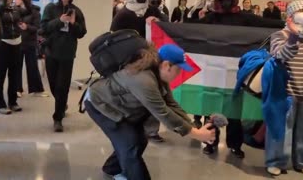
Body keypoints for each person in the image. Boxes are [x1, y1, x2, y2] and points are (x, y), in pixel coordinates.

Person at [84, 44, 215, 180]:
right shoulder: (143, 80)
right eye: (179, 69)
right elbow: (163, 113)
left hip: (121, 106)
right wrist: (196, 134)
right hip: (101, 105)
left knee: (140, 140)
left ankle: (111, 169)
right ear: (166, 65)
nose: (180, 73)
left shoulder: (157, 73)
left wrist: (193, 128)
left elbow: (170, 104)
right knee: (130, 145)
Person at [195, 0, 284, 158]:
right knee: (211, 107)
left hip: (236, 71)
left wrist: (289, 23)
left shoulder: (245, 17)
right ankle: (210, 142)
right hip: (214, 70)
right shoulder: (211, 18)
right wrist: (159, 23)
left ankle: (235, 144)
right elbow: (188, 28)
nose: (225, 1)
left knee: (235, 109)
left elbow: (267, 23)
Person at [111, 0, 167, 142]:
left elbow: (166, 23)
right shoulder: (123, 14)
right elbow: (114, 37)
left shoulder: (152, 10)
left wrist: (158, 21)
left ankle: (152, 130)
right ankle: (130, 126)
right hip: (131, 62)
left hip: (152, 60)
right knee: (133, 96)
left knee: (153, 94)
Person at [266, 0, 303, 177]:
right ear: (291, 17)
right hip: (285, 90)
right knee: (282, 128)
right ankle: (276, 161)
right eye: (301, 12)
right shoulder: (280, 35)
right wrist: (293, 36)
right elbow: (280, 56)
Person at [41, 0, 87, 132]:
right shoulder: (50, 8)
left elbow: (82, 33)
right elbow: (43, 29)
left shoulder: (77, 11)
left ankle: (58, 118)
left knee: (63, 86)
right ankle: (62, 104)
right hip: (51, 51)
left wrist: (73, 24)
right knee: (54, 85)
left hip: (67, 54)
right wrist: (59, 21)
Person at [0, 0, 23, 114]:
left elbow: (24, 16)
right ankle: (0, 104)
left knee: (14, 75)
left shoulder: (16, 9)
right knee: (0, 76)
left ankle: (13, 102)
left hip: (17, 44)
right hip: (3, 44)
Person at [15, 0, 48, 97]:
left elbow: (38, 28)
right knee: (17, 66)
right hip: (18, 41)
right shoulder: (16, 11)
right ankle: (17, 89)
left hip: (30, 42)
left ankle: (36, 89)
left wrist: (27, 27)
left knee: (32, 66)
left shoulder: (35, 11)